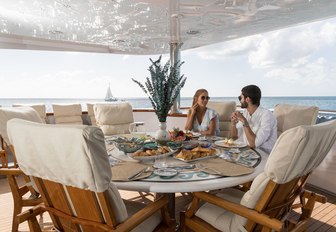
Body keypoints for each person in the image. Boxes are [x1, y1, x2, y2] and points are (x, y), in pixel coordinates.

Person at [230, 85, 277, 154]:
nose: (240, 100)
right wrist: (233, 123)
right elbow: (234, 138)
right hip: (246, 152)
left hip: (262, 155)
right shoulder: (246, 113)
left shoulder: (267, 116)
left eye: (240, 97)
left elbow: (253, 144)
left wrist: (244, 121)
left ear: (247, 99)